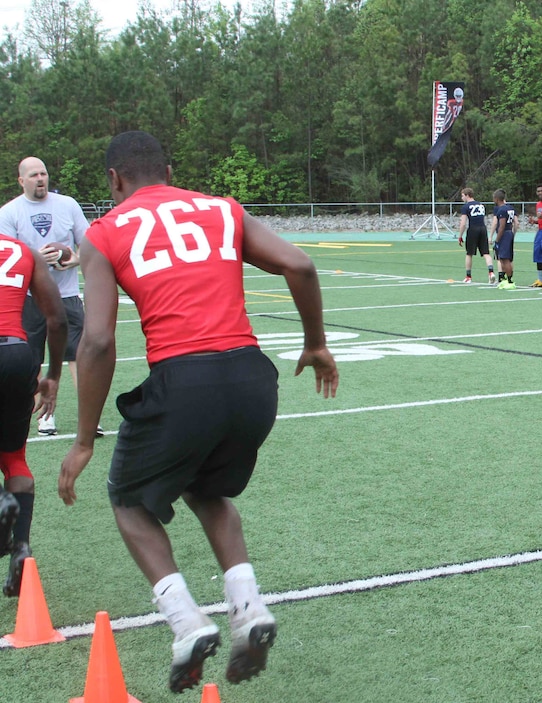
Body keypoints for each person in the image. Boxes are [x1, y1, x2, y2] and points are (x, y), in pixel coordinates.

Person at [58, 131, 339, 693]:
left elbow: (95, 343)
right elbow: (300, 265)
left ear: (114, 179)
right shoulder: (220, 208)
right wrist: (314, 343)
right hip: (253, 378)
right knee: (207, 490)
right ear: (168, 168)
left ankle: (187, 623)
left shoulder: (104, 232)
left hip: (185, 380)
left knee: (129, 500)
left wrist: (85, 438)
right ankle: (249, 609)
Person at [0, 156, 98, 437]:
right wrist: (36, 262)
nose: (40, 179)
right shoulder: (9, 213)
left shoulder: (67, 205)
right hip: (29, 298)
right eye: (33, 175)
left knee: (79, 355)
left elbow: (89, 244)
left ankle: (87, 418)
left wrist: (75, 260)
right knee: (32, 358)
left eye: (43, 173)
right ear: (21, 180)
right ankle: (43, 416)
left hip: (66, 294)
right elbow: (7, 257)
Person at [0, 232, 66, 598]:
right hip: (17, 354)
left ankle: (2, 503)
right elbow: (56, 320)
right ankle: (21, 548)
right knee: (14, 458)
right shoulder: (22, 250)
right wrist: (52, 374)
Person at [457, 188, 495, 284]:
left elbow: (463, 224)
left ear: (467, 195)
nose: (462, 198)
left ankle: (468, 276)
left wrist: (460, 235)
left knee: (469, 253)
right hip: (483, 229)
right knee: (486, 253)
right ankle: (491, 272)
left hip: (473, 229)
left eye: (462, 196)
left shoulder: (466, 207)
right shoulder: (481, 205)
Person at [491, 189, 517, 289]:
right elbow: (516, 223)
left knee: (505, 258)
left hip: (504, 234)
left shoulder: (501, 210)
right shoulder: (509, 208)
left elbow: (501, 226)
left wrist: (497, 240)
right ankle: (507, 279)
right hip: (509, 233)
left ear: (497, 199)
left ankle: (510, 280)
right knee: (504, 258)